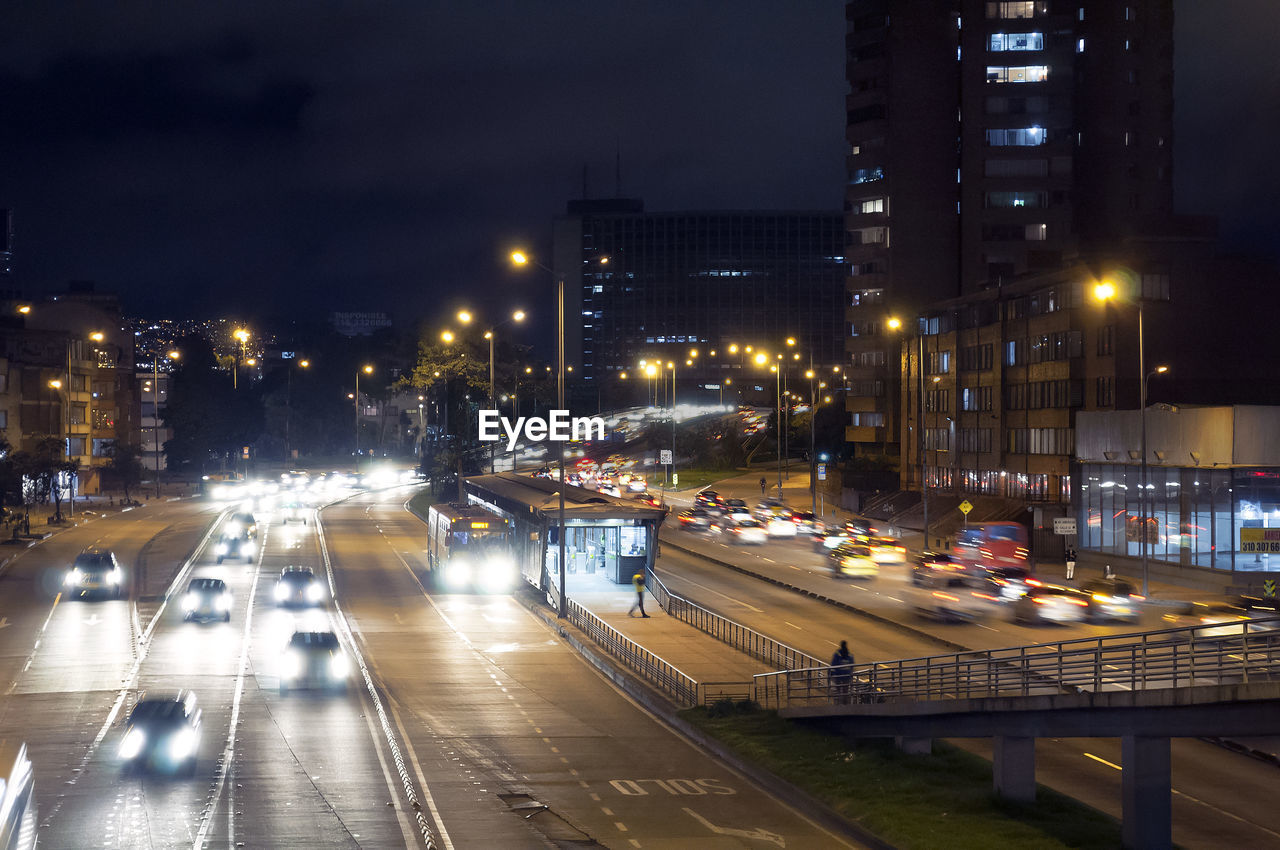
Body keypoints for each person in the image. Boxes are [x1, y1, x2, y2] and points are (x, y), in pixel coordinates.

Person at [829, 640, 854, 704]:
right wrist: (851, 673)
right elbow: (852, 665)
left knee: (838, 690)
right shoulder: (849, 654)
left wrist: (831, 673)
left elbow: (833, 664)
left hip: (839, 676)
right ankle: (844, 703)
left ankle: (838, 703)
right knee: (845, 691)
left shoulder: (837, 654)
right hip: (846, 676)